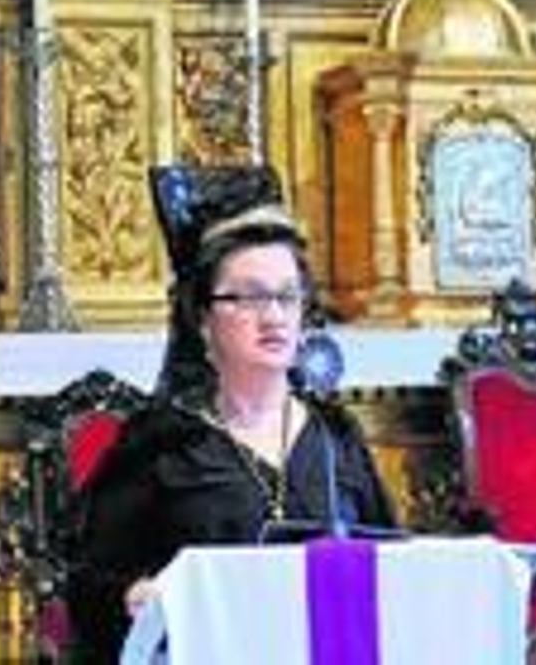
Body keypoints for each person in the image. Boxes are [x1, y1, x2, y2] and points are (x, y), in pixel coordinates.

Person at [65, 165, 399, 661]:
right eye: (248, 298)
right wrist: (133, 597)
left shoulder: (335, 437)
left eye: (288, 296)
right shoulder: (160, 445)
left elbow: (392, 564)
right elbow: (89, 589)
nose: (273, 316)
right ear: (201, 319)